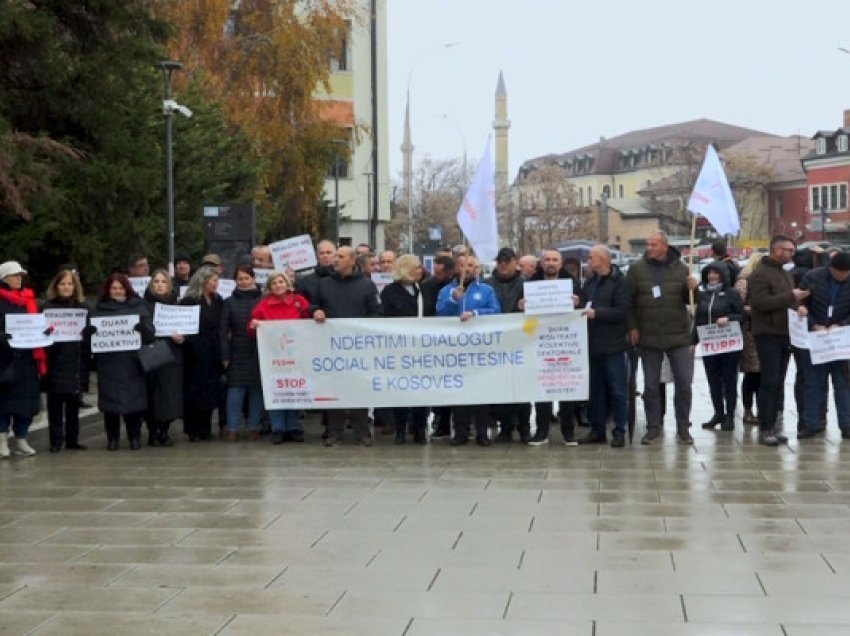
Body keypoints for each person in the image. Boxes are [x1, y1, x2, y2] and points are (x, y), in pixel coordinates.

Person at [626, 230, 699, 445]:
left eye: (653, 244)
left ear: (665, 247)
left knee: (684, 384)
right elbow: (628, 301)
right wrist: (632, 326)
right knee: (650, 386)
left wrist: (694, 289)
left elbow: (691, 301)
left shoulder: (683, 269)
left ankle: (683, 427)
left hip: (678, 336)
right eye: (648, 244)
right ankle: (653, 427)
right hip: (649, 335)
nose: (649, 248)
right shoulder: (637, 269)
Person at [311, 245, 381, 446]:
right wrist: (316, 311)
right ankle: (334, 432)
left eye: (340, 256)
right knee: (334, 389)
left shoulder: (367, 285)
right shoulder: (324, 284)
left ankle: (362, 432)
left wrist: (361, 327)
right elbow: (314, 304)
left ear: (352, 261)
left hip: (358, 347)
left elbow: (376, 311)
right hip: (332, 347)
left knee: (359, 388)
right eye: (335, 256)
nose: (335, 260)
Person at [748, 235, 810, 446]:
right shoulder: (761, 274)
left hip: (785, 332)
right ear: (776, 250)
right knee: (770, 380)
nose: (792, 253)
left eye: (793, 250)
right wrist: (790, 297)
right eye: (788, 250)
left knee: (778, 382)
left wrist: (798, 306)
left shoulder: (785, 274)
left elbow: (788, 301)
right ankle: (765, 428)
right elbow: (759, 302)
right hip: (767, 333)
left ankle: (773, 425)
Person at [437, 254, 501, 446]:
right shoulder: (446, 291)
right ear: (457, 269)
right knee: (459, 392)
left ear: (478, 269)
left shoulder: (487, 290)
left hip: (480, 348)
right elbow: (439, 314)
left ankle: (482, 432)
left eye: (471, 265)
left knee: (480, 392)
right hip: (455, 350)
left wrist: (475, 313)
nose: (468, 268)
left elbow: (496, 311)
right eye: (463, 265)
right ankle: (461, 432)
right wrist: (453, 301)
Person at [91, 273, 155, 450]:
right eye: (114, 288)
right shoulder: (99, 309)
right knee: (110, 404)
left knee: (134, 402)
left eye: (120, 287)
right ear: (108, 290)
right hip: (109, 363)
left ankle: (134, 436)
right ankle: (113, 438)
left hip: (133, 362)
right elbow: (91, 338)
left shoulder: (138, 306)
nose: (117, 291)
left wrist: (143, 328)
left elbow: (151, 335)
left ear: (126, 288)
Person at [574, 245, 630, 447]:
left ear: (604, 260)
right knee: (595, 391)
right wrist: (577, 301)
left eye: (591, 257)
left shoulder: (620, 283)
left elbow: (622, 311)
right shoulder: (590, 282)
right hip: (592, 344)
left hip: (613, 345)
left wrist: (597, 313)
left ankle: (619, 431)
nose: (588, 261)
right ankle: (597, 430)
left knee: (617, 390)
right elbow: (583, 305)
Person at [249, 271, 310, 443]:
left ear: (288, 283)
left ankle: (292, 426)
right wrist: (253, 326)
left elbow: (309, 321)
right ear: (269, 287)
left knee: (294, 389)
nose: (278, 285)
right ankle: (278, 428)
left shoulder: (299, 301)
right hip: (273, 357)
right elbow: (251, 328)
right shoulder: (263, 305)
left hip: (296, 354)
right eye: (274, 283)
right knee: (276, 390)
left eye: (281, 282)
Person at [526, 249, 579, 446]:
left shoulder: (573, 283)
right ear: (541, 262)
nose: (550, 263)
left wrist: (578, 301)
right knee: (542, 388)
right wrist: (521, 304)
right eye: (547, 259)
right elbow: (518, 310)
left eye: (554, 260)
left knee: (567, 388)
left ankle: (568, 432)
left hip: (565, 341)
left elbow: (584, 302)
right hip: (541, 342)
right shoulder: (531, 283)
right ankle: (541, 431)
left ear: (560, 263)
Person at [796, 251, 850, 439]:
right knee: (813, 384)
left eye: (846, 273)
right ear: (831, 268)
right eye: (839, 272)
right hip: (815, 339)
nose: (842, 276)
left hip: (840, 340)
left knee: (843, 384)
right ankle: (810, 424)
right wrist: (812, 324)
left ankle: (846, 424)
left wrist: (841, 325)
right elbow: (800, 304)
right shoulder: (813, 277)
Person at [380, 254, 428, 445]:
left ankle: (419, 429)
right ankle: (400, 429)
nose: (420, 270)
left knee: (422, 391)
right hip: (399, 350)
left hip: (421, 350)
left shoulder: (423, 289)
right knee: (400, 390)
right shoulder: (389, 292)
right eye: (416, 267)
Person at [485, 247, 531, 443]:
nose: (503, 264)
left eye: (507, 260)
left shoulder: (527, 284)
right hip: (496, 343)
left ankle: (524, 427)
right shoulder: (487, 284)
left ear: (515, 262)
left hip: (520, 342)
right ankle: (505, 427)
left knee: (522, 388)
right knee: (500, 388)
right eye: (500, 261)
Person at [42, 269, 89, 452]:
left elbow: (91, 331)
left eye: (70, 284)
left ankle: (72, 439)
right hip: (54, 360)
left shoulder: (82, 308)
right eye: (63, 284)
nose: (66, 287)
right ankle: (55, 441)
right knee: (55, 405)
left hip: (75, 361)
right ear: (56, 286)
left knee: (73, 405)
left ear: (75, 286)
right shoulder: (47, 308)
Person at [0, 261, 44, 457]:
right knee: (4, 403)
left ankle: (21, 438)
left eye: (21, 275)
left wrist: (44, 331)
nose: (19, 278)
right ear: (4, 278)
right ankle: (2, 440)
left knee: (26, 403)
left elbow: (36, 322)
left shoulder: (28, 299)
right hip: (4, 360)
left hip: (27, 359)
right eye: (15, 275)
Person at [694, 262, 744, 432]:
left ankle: (730, 415)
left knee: (729, 381)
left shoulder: (731, 294)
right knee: (713, 381)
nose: (712, 276)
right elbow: (698, 320)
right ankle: (718, 413)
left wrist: (728, 318)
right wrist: (693, 342)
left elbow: (741, 314)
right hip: (709, 345)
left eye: (715, 273)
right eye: (709, 273)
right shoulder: (703, 295)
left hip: (729, 345)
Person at [181, 266, 224, 442]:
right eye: (213, 280)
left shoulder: (218, 300)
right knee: (194, 391)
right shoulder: (190, 301)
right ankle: (193, 430)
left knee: (209, 390)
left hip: (212, 351)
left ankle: (205, 428)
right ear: (203, 281)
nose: (216, 284)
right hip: (194, 351)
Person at [221, 265, 264, 442]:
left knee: (256, 390)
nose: (244, 282)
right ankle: (233, 428)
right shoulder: (229, 302)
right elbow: (222, 332)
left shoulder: (263, 300)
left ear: (253, 279)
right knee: (235, 391)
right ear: (235, 281)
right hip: (237, 351)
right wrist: (225, 355)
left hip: (259, 350)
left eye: (247, 278)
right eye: (240, 279)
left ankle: (254, 426)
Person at [143, 269, 184, 447]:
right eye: (157, 281)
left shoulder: (177, 305)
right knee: (152, 395)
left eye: (163, 281)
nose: (160, 285)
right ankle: (152, 432)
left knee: (169, 395)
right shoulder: (143, 305)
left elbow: (186, 329)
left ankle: (164, 431)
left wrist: (182, 338)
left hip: (172, 355)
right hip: (152, 355)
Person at [735, 257, 761, 425]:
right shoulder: (744, 283)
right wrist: (757, 310)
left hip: (763, 333)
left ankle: (761, 409)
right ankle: (747, 409)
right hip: (749, 333)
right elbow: (737, 306)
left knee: (763, 375)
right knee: (752, 373)